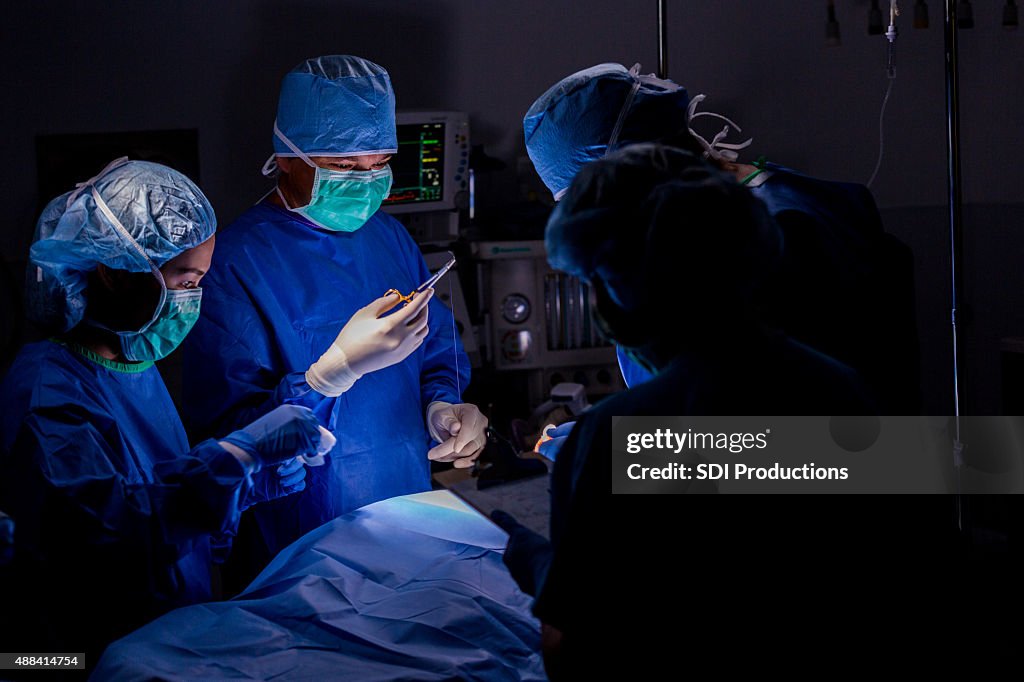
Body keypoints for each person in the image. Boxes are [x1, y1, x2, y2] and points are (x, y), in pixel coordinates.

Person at [492, 145, 960, 678]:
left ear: (615, 294)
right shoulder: (844, 390)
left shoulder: (612, 437)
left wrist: (546, 571)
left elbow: (577, 653)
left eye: (598, 282)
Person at [0, 159, 338, 660]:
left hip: (161, 640)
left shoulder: (131, 361)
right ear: (115, 272)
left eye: (200, 280)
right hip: (78, 659)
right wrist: (235, 458)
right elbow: (111, 535)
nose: (192, 299)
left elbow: (158, 504)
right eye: (183, 280)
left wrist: (245, 485)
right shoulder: (47, 394)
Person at [182, 55, 486, 578]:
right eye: (345, 167)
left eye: (379, 164)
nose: (366, 184)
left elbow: (437, 347)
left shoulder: (389, 238)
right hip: (301, 543)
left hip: (407, 518)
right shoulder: (233, 265)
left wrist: (444, 404)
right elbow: (228, 440)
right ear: (286, 157)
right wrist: (331, 374)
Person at [523, 62, 920, 415]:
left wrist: (621, 453)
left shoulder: (772, 242)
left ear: (633, 166)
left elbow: (762, 435)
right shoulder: (757, 195)